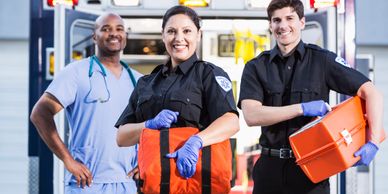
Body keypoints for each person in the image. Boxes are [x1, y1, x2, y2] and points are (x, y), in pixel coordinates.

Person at [238, 0, 384, 193]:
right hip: (269, 170)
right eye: (276, 20)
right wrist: (302, 108)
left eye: (290, 18)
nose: (283, 26)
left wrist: (372, 142)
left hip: (313, 169)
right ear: (270, 25)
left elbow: (372, 92)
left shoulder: (323, 61)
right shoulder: (256, 67)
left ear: (302, 22)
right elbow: (252, 116)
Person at [115, 5, 239, 181]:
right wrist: (149, 124)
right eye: (172, 31)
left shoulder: (208, 74)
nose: (179, 38)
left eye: (187, 31)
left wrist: (196, 142)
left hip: (195, 182)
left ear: (199, 35)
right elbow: (122, 137)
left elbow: (231, 122)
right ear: (163, 35)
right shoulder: (146, 83)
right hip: (154, 183)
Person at [30, 13, 142, 194]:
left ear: (125, 36)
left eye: (119, 29)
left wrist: (146, 161)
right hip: (87, 183)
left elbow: (151, 127)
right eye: (106, 29)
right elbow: (40, 113)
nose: (114, 33)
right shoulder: (76, 72)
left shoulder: (138, 81)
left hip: (126, 182)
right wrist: (68, 160)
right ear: (94, 36)